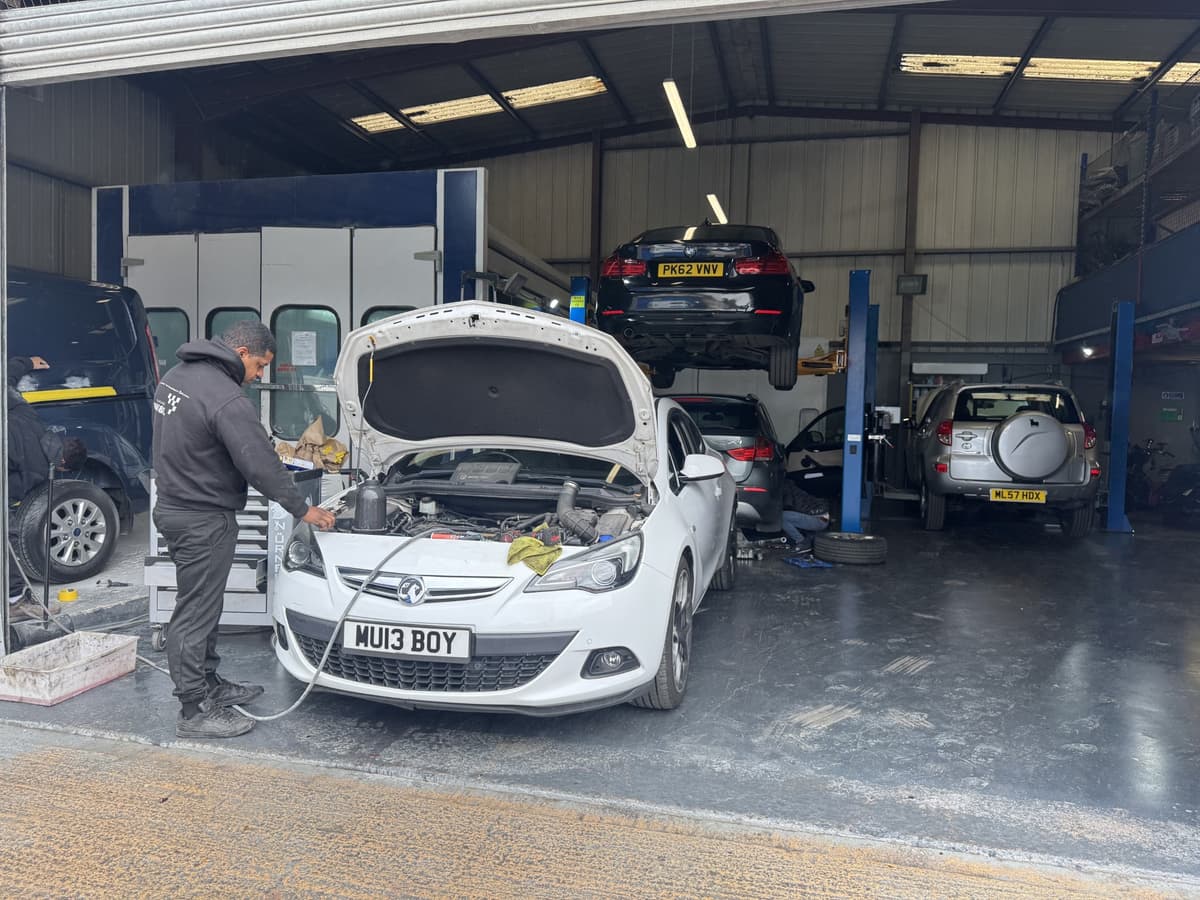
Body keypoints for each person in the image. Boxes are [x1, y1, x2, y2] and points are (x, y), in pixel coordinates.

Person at [152, 321, 335, 739]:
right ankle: (193, 709)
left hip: (174, 506)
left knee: (203, 604)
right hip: (203, 517)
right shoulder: (226, 398)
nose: (259, 376)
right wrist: (302, 509)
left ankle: (208, 684)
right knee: (195, 611)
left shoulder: (175, 378)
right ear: (240, 352)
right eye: (259, 365)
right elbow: (261, 465)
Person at [6, 355, 88, 619]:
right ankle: (15, 601)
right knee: (7, 535)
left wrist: (26, 363)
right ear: (62, 465)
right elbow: (9, 496)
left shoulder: (29, 416)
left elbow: (4, 381)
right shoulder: (38, 472)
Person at [780, 480, 830, 551]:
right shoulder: (792, 487)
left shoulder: (785, 488)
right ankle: (809, 537)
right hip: (822, 518)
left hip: (819, 520)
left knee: (782, 517)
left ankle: (802, 542)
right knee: (789, 517)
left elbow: (787, 506)